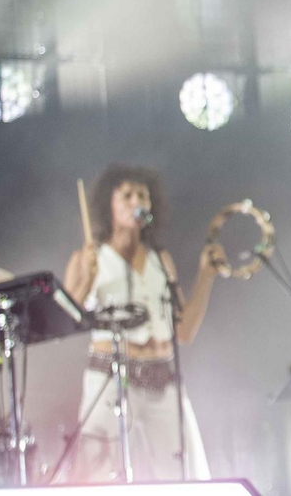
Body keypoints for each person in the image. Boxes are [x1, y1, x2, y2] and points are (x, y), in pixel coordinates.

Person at [62, 165, 224, 481]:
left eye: (142, 195)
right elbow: (66, 319)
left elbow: (184, 331)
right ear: (108, 205)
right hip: (109, 377)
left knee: (184, 472)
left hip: (163, 378)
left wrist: (206, 275)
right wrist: (87, 278)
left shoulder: (160, 259)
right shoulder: (87, 257)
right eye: (127, 195)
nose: (136, 201)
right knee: (97, 472)